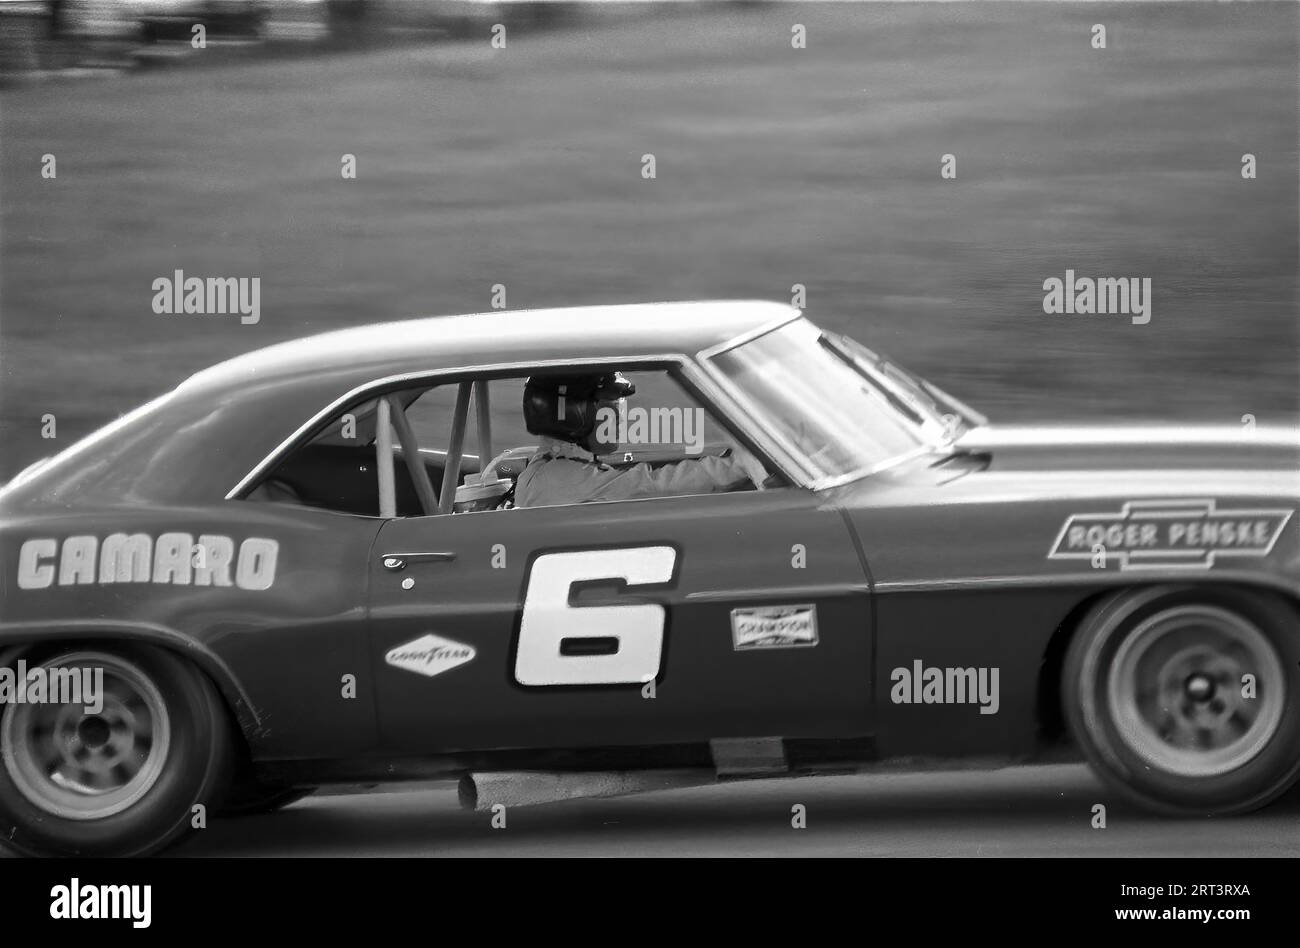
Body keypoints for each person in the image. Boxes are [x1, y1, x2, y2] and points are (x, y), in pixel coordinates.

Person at [514, 372, 770, 508]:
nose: (621, 419)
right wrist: (736, 465)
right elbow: (656, 488)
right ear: (573, 416)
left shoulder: (555, 468)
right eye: (611, 410)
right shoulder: (562, 479)